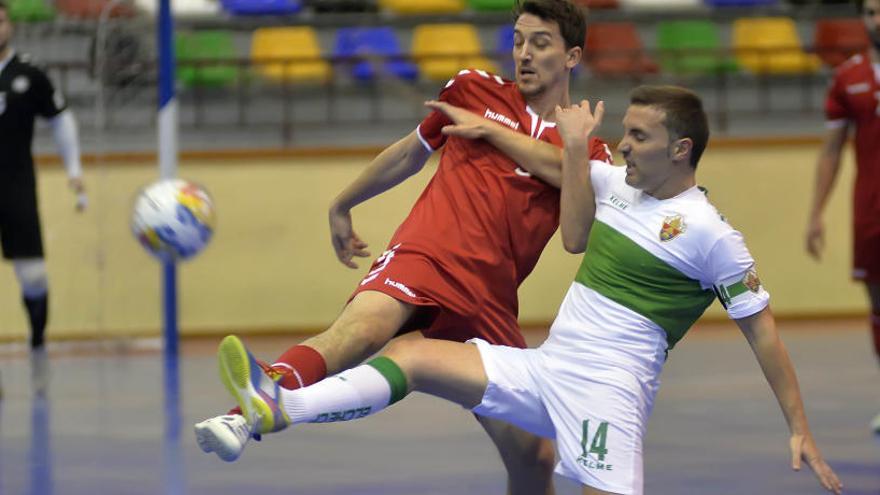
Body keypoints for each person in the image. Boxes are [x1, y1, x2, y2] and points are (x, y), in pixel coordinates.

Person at [213, 86, 844, 495]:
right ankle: (277, 406)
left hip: (608, 399)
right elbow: (542, 161)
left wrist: (798, 426)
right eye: (622, 131)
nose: (623, 143)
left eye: (640, 137)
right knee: (407, 355)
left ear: (681, 150)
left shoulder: (714, 237)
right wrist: (490, 132)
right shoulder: (613, 184)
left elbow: (761, 331)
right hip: (546, 371)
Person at [195, 1, 612, 492]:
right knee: (361, 330)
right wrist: (343, 202)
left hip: (490, 301)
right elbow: (411, 152)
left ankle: (261, 404)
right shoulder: (472, 89)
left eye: (539, 43)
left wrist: (505, 136)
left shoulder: (585, 149)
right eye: (517, 40)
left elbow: (574, 226)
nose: (522, 53)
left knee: (533, 455)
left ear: (571, 56)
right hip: (425, 257)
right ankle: (248, 410)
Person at [0, 0, 86, 388]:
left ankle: (37, 344)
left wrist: (74, 171)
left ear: (9, 25)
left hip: (16, 184)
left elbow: (61, 119)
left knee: (33, 276)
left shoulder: (30, 73)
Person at [806, 0, 880, 434]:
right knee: (877, 306)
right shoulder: (848, 77)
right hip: (871, 212)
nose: (877, 20)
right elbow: (832, 150)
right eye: (870, 11)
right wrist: (815, 213)